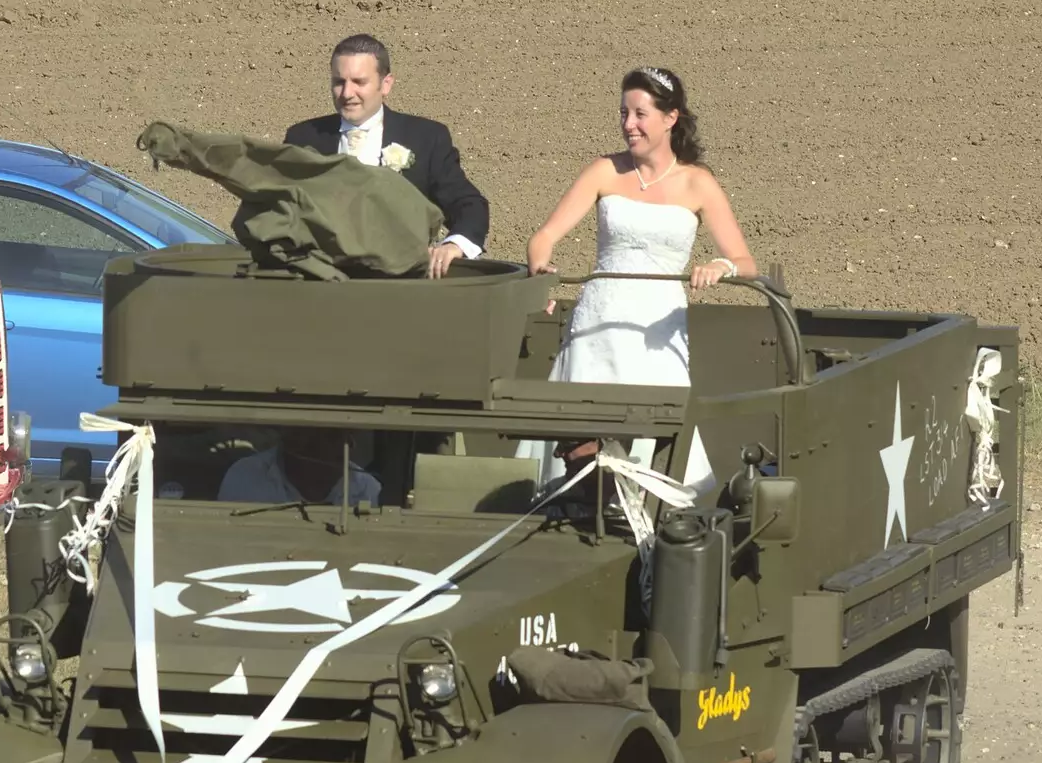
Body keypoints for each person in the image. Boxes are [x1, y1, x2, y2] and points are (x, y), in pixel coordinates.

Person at [516, 66, 756, 488]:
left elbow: (744, 259)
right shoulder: (604, 172)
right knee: (579, 437)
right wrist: (542, 267)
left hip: (657, 333)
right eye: (624, 113)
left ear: (670, 117)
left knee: (656, 441)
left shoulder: (698, 183)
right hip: (598, 326)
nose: (629, 125)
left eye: (640, 114)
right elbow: (545, 236)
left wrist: (722, 266)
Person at [283, 33, 490, 279]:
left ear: (386, 84)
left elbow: (469, 205)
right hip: (320, 285)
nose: (347, 93)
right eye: (339, 82)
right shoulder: (303, 138)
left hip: (400, 287)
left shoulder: (425, 138)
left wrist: (453, 245)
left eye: (359, 82)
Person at [217, 426, 382, 507]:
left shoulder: (366, 488)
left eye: (336, 437)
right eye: (327, 437)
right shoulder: (245, 477)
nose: (325, 449)